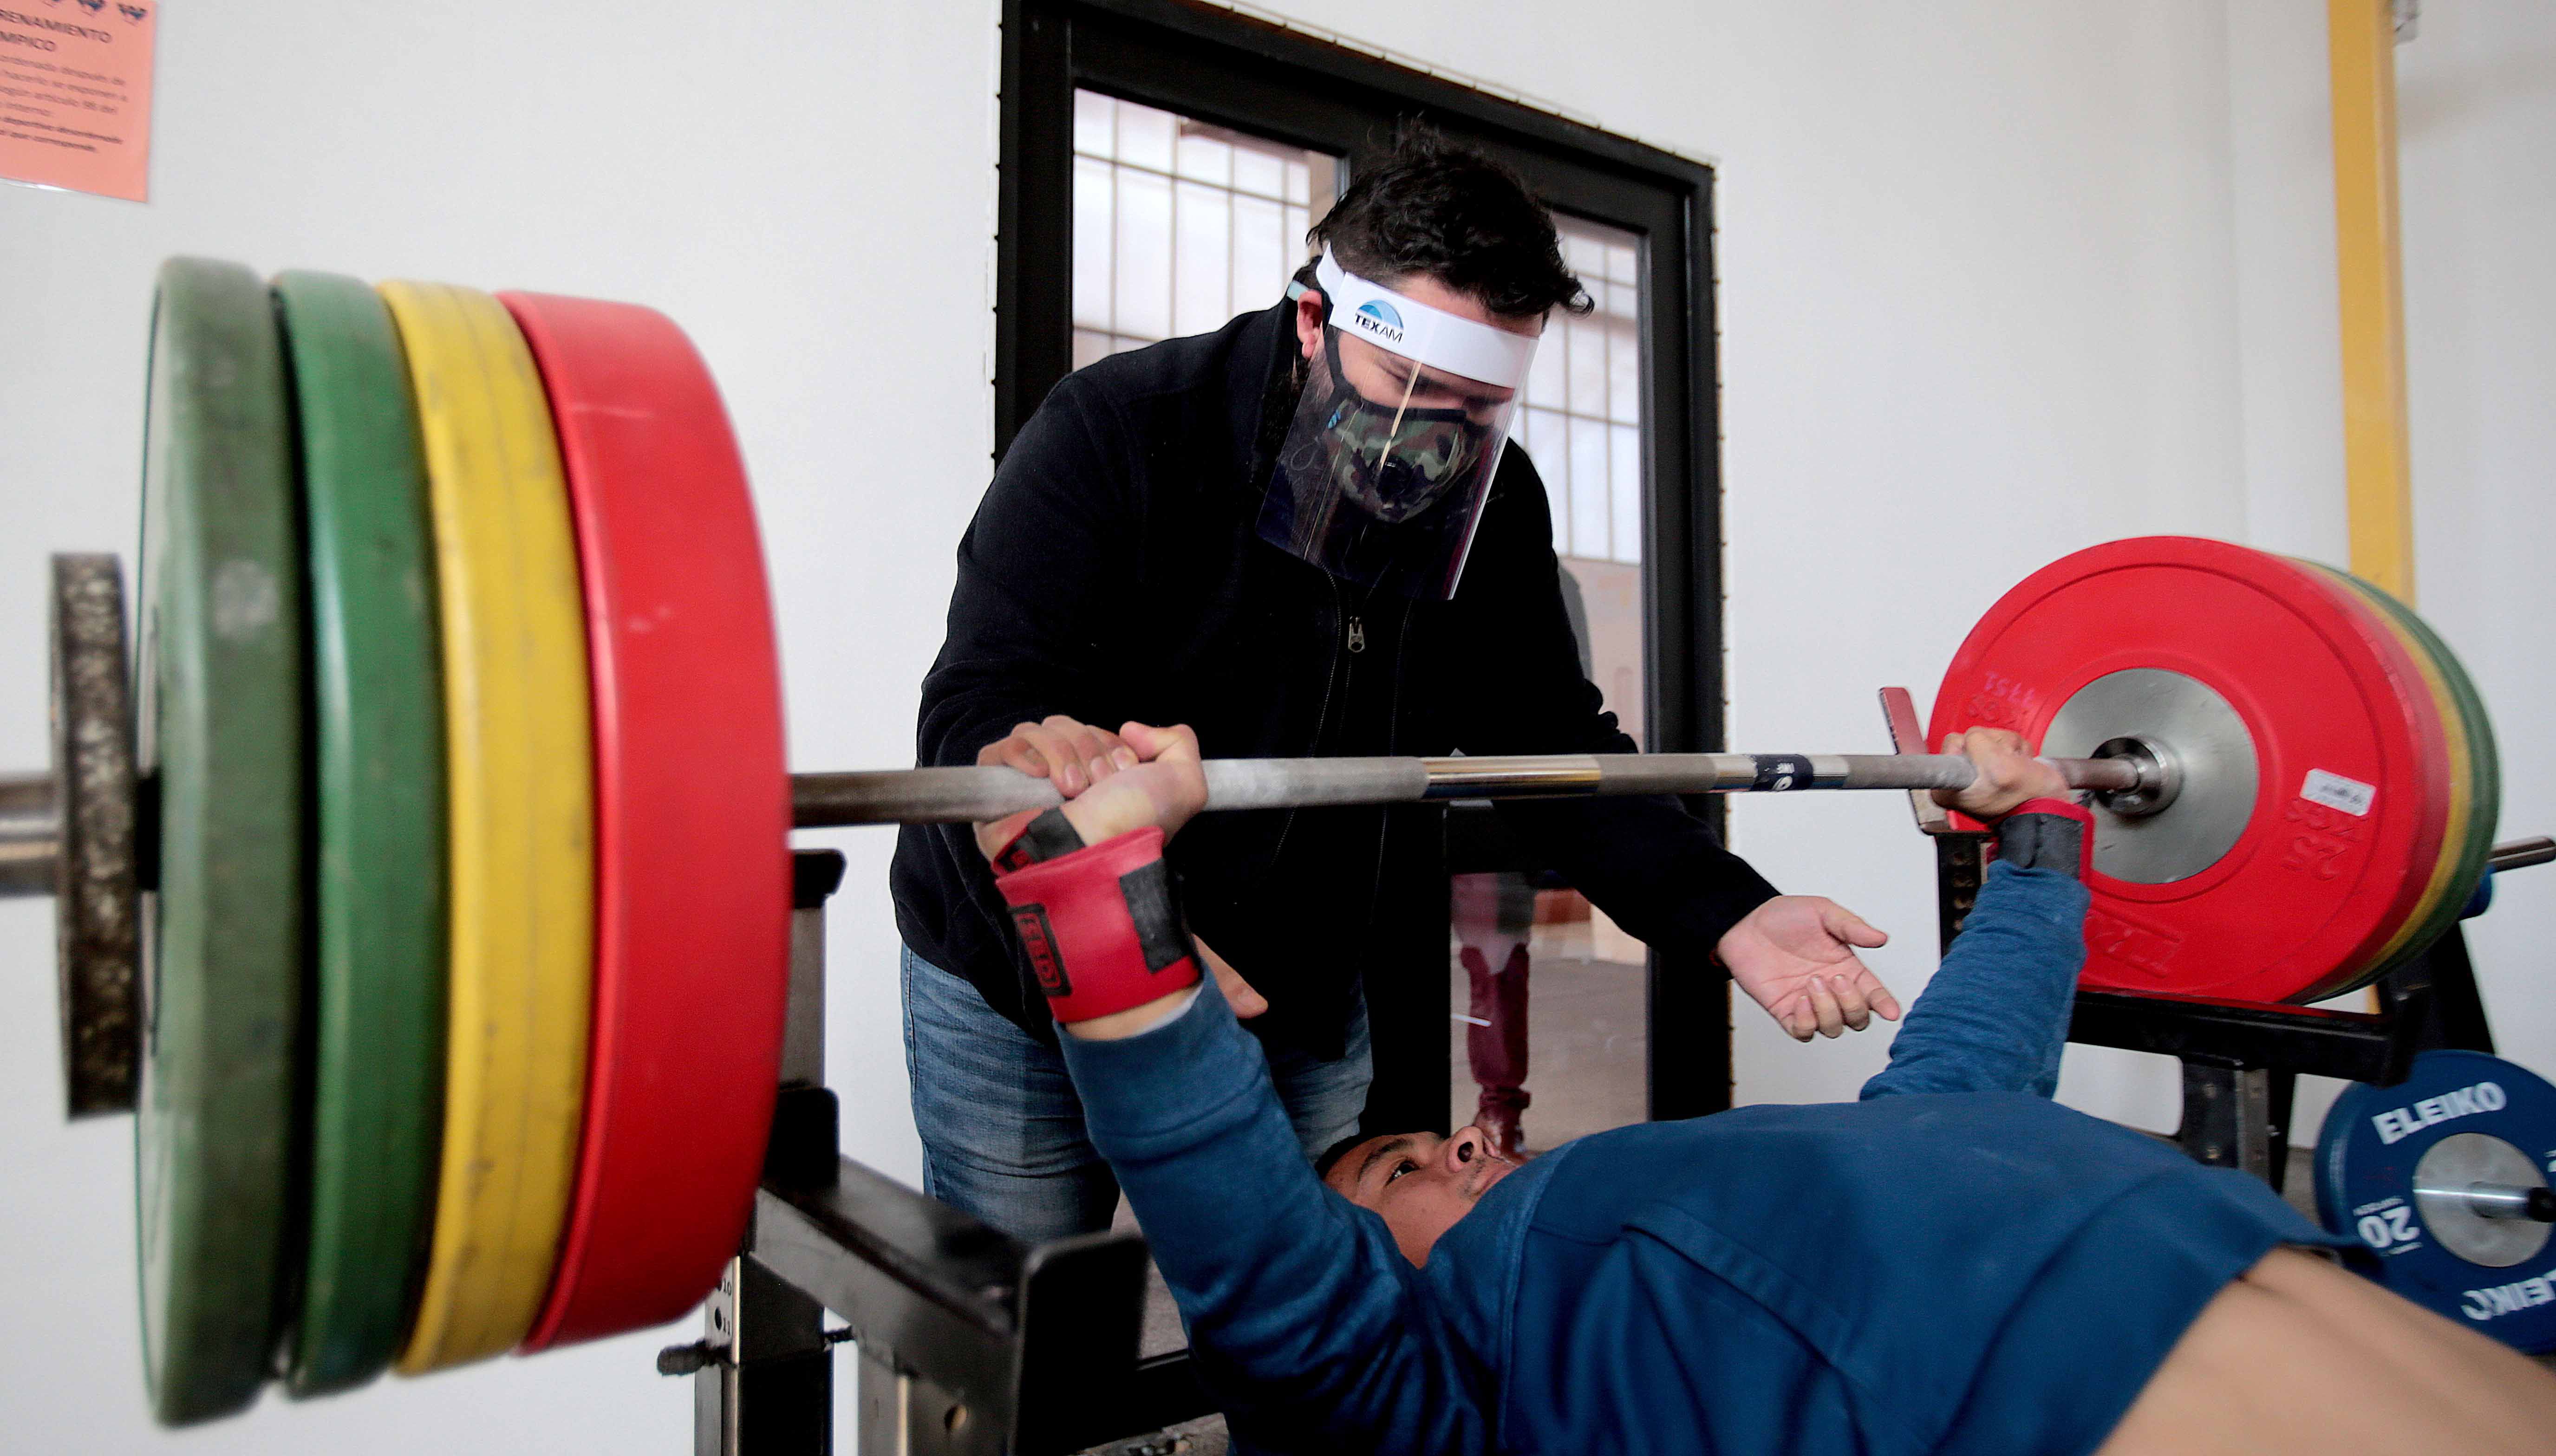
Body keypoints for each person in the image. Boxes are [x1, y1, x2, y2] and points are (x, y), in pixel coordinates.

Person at [978, 723, 2556, 1455]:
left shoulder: (1734, 1181)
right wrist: (1107, 910)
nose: (1463, 1139)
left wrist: (2039, 832)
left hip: (2239, 1253)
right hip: (2037, 1392)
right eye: (1397, 1172)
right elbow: (1264, 1276)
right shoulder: (1463, 1388)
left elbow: (1963, 1068)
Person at [891, 127, 1899, 1243]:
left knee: (1313, 1330)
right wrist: (1066, 814)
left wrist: (1727, 911)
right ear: (1319, 320)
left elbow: (1545, 739)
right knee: (1032, 1331)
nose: (1435, 443)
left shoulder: (1496, 497)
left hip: (1294, 989)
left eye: (1477, 407)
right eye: (1412, 388)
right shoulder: (1121, 430)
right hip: (1028, 980)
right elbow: (981, 705)